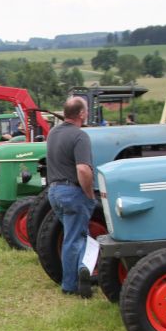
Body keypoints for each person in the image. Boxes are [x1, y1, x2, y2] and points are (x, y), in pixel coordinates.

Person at [46, 96, 97, 298]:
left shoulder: (53, 133)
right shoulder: (80, 136)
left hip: (54, 192)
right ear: (81, 114)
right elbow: (83, 169)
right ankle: (72, 283)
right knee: (74, 238)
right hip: (72, 192)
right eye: (87, 110)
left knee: (74, 234)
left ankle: (82, 268)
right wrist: (90, 194)